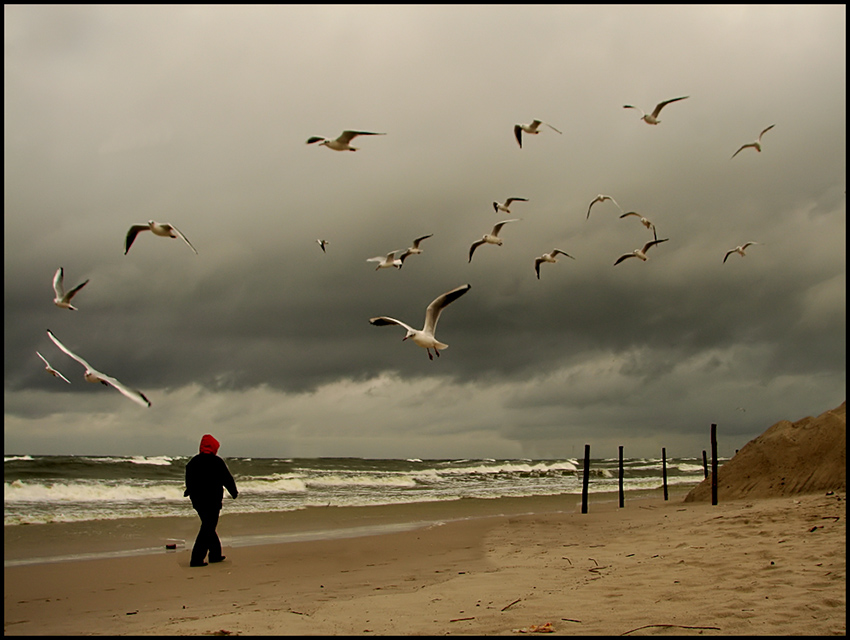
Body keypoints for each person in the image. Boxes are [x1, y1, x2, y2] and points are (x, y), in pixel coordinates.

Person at [184, 434, 238, 567]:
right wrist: (234, 492)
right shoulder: (217, 462)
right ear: (213, 447)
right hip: (213, 499)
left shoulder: (193, 462)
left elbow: (189, 479)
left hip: (197, 500)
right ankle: (196, 558)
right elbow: (227, 478)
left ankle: (215, 554)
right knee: (208, 527)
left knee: (208, 526)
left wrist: (189, 491)